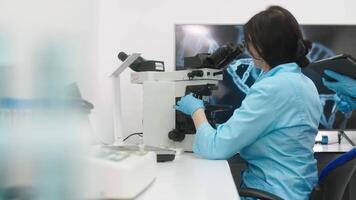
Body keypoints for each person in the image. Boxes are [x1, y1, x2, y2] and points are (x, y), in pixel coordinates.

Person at [175, 6, 322, 200]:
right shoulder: (303, 82)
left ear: (262, 46)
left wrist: (196, 110)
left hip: (272, 192)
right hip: (295, 188)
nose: (248, 48)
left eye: (249, 41)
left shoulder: (274, 87)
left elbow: (216, 148)